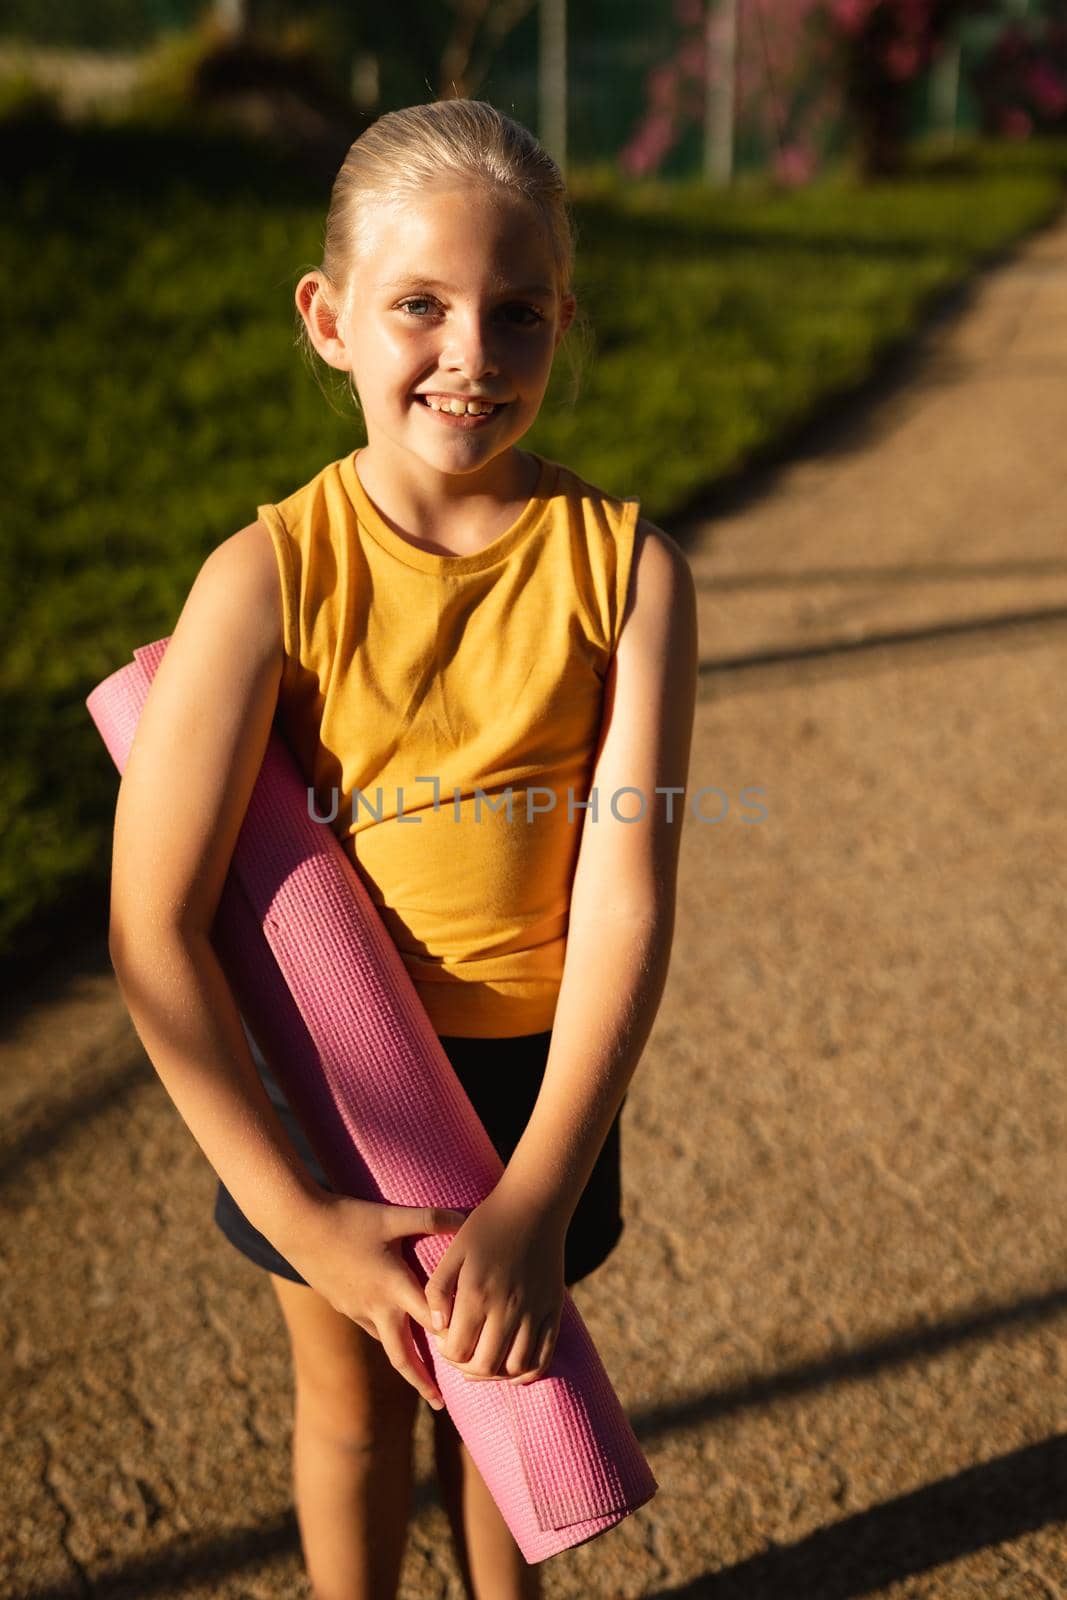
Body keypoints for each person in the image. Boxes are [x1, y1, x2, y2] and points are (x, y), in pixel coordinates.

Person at [107, 97, 697, 1600]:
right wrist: (303, 1215)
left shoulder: (628, 575)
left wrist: (536, 1196)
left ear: (567, 319)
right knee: (359, 1404)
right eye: (419, 306)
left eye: (517, 314)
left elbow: (628, 898)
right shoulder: (265, 579)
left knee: (510, 1408)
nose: (470, 355)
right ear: (328, 318)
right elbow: (154, 926)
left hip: (531, 1087)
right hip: (334, 1078)